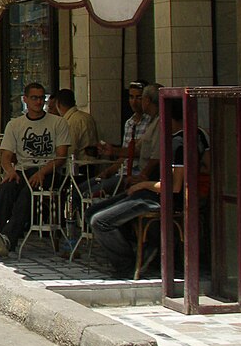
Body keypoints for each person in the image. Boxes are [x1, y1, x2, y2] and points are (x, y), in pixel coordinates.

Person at [85, 98, 208, 277]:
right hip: (152, 190)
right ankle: (145, 248)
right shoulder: (199, 135)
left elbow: (173, 187)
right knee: (92, 211)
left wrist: (143, 184)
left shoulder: (178, 143)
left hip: (160, 197)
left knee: (100, 221)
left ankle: (128, 265)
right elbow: (206, 165)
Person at [0, 82, 71, 260]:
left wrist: (42, 172)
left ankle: (7, 239)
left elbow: (61, 156)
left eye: (41, 98)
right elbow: (6, 156)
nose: (38, 102)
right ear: (25, 99)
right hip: (23, 170)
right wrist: (10, 171)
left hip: (48, 172)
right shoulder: (15, 124)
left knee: (27, 195)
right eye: (34, 98)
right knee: (5, 190)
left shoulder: (58, 122)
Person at [90, 80, 154, 195]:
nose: (134, 102)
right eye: (131, 97)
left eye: (138, 98)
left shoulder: (151, 122)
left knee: (92, 193)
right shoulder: (129, 123)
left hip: (136, 174)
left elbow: (139, 151)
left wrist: (114, 150)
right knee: (85, 188)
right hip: (121, 172)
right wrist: (108, 171)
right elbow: (123, 157)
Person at [48, 88, 99, 157]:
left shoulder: (70, 122)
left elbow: (70, 150)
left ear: (58, 104)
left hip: (80, 161)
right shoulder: (87, 116)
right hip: (93, 160)